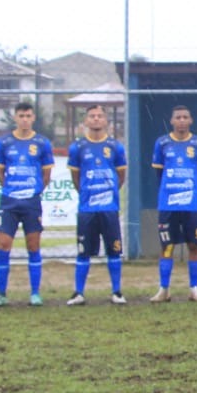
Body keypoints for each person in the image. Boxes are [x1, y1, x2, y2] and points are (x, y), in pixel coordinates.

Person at [0, 101, 56, 307]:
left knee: (33, 245)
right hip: (9, 202)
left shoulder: (42, 143)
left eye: (28, 116)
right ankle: (1, 294)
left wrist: (33, 193)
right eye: (21, 116)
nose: (25, 119)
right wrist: (12, 191)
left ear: (33, 118)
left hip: (32, 203)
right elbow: (1, 173)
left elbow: (46, 176)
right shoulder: (4, 142)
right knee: (3, 244)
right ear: (15, 118)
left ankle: (35, 293)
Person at [66, 105, 128, 306]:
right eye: (92, 116)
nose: (95, 119)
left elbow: (121, 176)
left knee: (114, 250)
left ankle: (116, 292)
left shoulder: (116, 147)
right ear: (85, 121)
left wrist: (107, 194)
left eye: (100, 116)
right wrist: (87, 194)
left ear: (106, 121)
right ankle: (78, 293)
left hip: (109, 209)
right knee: (83, 251)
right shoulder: (78, 147)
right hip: (87, 209)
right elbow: (76, 178)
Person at [151, 105, 197, 303]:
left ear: (191, 120)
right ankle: (164, 289)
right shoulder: (162, 143)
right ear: (172, 121)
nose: (182, 121)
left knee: (194, 244)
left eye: (186, 117)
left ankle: (194, 288)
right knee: (167, 245)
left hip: (191, 204)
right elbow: (159, 173)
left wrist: (194, 194)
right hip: (168, 204)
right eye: (178, 117)